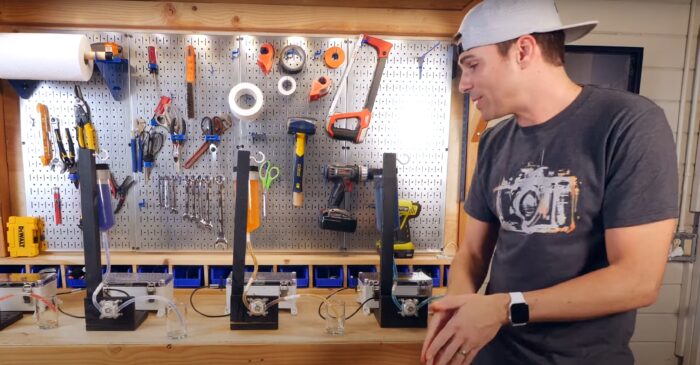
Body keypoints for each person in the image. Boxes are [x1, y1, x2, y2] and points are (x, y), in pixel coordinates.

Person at [421, 0, 679, 364]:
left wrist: (504, 308)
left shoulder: (629, 124)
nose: (463, 84)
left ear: (523, 50)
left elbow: (636, 280)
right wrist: (454, 314)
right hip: (495, 354)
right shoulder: (496, 141)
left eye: (473, 65)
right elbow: (473, 254)